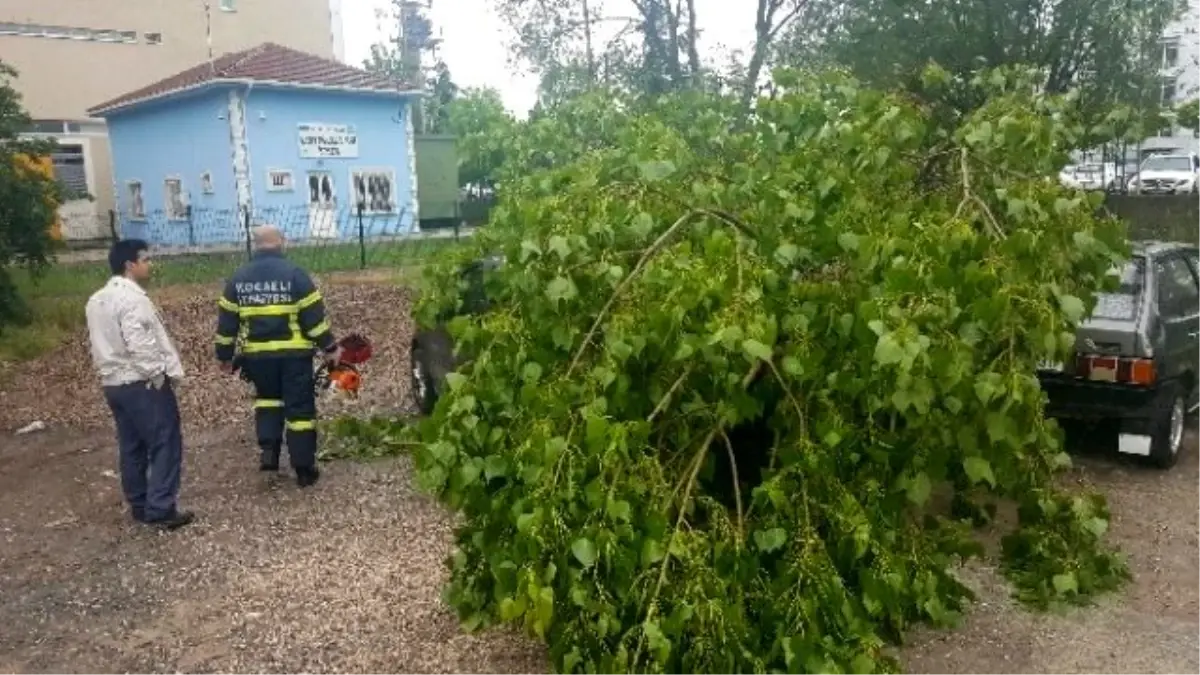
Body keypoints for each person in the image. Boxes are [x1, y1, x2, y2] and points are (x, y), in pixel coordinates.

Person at [214, 225, 339, 487]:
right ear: (280, 242)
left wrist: (224, 356)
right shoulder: (295, 275)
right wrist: (329, 348)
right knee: (299, 410)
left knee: (268, 400)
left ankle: (269, 454)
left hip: (257, 357)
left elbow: (227, 324)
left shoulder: (238, 278)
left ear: (256, 244)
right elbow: (314, 320)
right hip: (293, 356)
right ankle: (304, 469)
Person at [85, 239, 193, 530]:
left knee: (131, 445)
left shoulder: (96, 299)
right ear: (129, 265)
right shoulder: (132, 300)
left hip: (113, 383)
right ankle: (161, 508)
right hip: (141, 382)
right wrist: (158, 374)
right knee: (164, 442)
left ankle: (140, 504)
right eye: (145, 259)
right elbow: (140, 343)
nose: (150, 264)